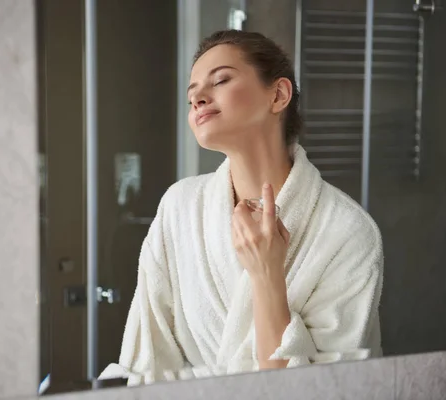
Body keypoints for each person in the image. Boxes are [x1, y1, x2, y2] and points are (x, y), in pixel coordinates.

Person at [99, 30, 383, 385]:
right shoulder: (180, 208)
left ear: (278, 95)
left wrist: (267, 274)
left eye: (220, 80)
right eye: (191, 98)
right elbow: (148, 359)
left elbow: (322, 389)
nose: (199, 99)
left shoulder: (347, 231)